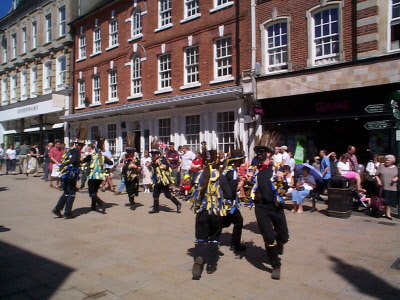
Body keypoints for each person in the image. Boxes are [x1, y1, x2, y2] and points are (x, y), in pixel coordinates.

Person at [249, 144, 289, 280]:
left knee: (284, 236)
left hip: (275, 206)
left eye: (262, 152)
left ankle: (281, 242)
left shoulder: (277, 168)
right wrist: (247, 181)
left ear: (268, 154)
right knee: (268, 237)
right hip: (261, 207)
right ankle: (275, 265)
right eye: (257, 152)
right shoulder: (254, 170)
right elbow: (250, 189)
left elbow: (286, 187)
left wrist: (281, 180)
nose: (259, 154)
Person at [191, 150, 227, 280]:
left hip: (202, 212)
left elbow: (192, 190)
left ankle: (199, 257)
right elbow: (229, 193)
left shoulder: (198, 175)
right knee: (214, 237)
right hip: (216, 212)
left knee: (201, 237)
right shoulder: (220, 176)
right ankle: (211, 264)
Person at [52, 139, 86, 219]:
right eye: (82, 146)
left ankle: (57, 209)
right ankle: (67, 212)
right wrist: (81, 161)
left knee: (66, 192)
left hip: (66, 173)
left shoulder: (68, 150)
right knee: (71, 193)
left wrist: (64, 165)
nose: (82, 147)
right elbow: (73, 161)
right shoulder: (75, 151)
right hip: (71, 174)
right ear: (78, 145)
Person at [221, 149, 246, 253]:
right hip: (228, 203)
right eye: (241, 160)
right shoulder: (232, 172)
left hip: (223, 201)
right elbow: (230, 189)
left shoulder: (228, 169)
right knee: (238, 221)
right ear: (236, 161)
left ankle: (210, 237)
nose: (242, 163)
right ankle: (235, 245)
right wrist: (240, 185)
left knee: (224, 222)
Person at [149, 148, 182, 214]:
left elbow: (167, 167)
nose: (152, 155)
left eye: (154, 154)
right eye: (152, 154)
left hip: (163, 180)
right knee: (155, 195)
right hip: (157, 180)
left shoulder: (163, 159)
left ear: (157, 154)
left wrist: (160, 164)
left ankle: (178, 204)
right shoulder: (153, 161)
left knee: (167, 195)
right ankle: (155, 209)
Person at [83, 144, 113, 214]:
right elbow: (110, 163)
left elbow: (83, 161)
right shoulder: (103, 157)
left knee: (91, 192)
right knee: (95, 191)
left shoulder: (91, 156)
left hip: (93, 176)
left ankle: (101, 203)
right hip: (100, 177)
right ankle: (93, 206)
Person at [376, 155, 398, 220]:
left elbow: (398, 176)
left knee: (390, 201)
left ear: (392, 161)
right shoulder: (381, 166)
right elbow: (376, 175)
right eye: (386, 160)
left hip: (392, 186)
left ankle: (387, 213)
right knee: (385, 201)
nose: (386, 161)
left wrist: (396, 178)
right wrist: (378, 181)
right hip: (384, 186)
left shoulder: (395, 168)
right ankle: (386, 213)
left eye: (388, 160)